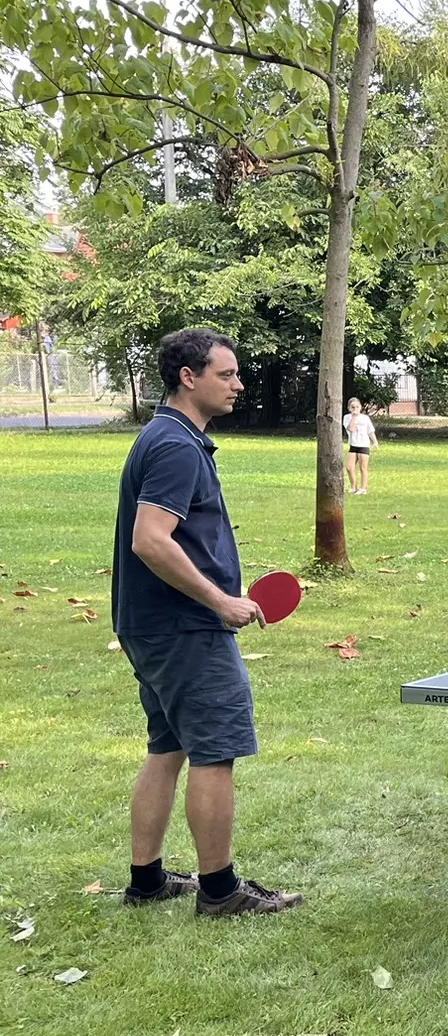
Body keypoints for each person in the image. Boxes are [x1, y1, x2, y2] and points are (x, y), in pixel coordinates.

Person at [113, 328, 302, 917]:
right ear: (188, 378)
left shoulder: (166, 436)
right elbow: (151, 540)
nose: (238, 384)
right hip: (184, 629)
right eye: (227, 374)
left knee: (167, 746)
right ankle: (220, 891)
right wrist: (220, 601)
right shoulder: (175, 445)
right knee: (214, 751)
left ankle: (147, 881)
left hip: (152, 624)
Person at [343, 396, 378, 495]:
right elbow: (351, 429)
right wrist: (353, 417)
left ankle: (363, 488)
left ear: (360, 407)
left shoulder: (365, 418)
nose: (355, 409)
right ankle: (354, 487)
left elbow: (370, 431)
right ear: (349, 408)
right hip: (353, 444)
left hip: (363, 445)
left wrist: (375, 441)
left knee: (363, 467)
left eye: (357, 407)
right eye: (352, 407)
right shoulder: (347, 417)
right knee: (349, 467)